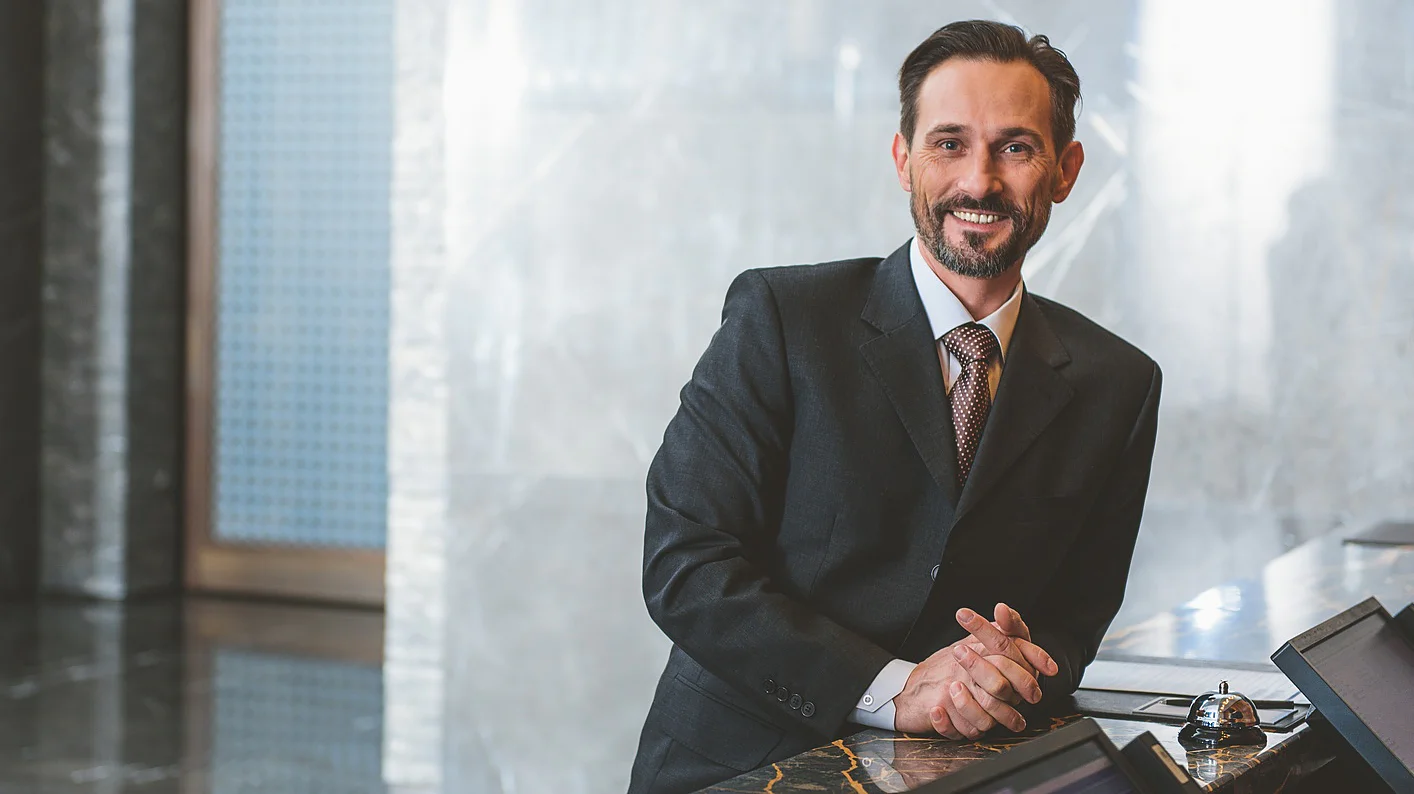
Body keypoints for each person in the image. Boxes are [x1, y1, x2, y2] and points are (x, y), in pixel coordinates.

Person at [628, 19, 1162, 794]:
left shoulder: (1119, 381)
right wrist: (895, 686)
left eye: (1015, 147)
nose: (978, 181)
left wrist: (1007, 674)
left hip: (966, 774)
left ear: (1064, 169)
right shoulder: (782, 318)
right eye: (949, 143)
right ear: (901, 158)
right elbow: (687, 565)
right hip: (742, 767)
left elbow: (1073, 622)